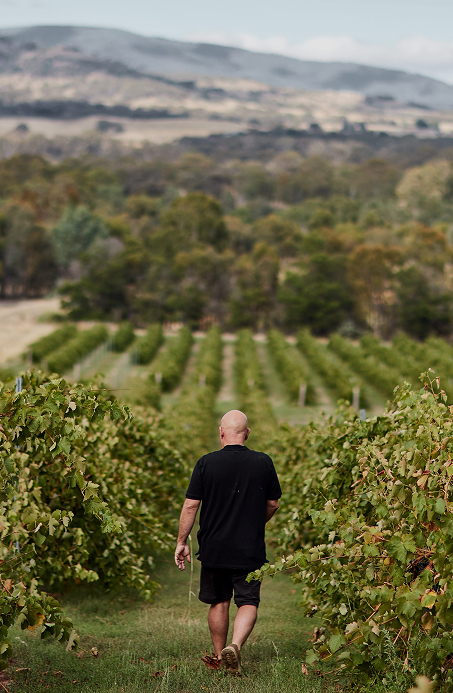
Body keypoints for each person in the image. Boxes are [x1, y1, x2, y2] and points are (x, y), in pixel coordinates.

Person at [174, 409, 281, 674]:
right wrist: (257, 523)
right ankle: (235, 645)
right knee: (247, 601)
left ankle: (221, 657)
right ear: (247, 433)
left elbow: (190, 505)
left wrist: (182, 541)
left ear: (221, 433)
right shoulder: (263, 462)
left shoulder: (206, 463)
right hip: (250, 547)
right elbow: (273, 503)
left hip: (214, 546)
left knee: (219, 601)